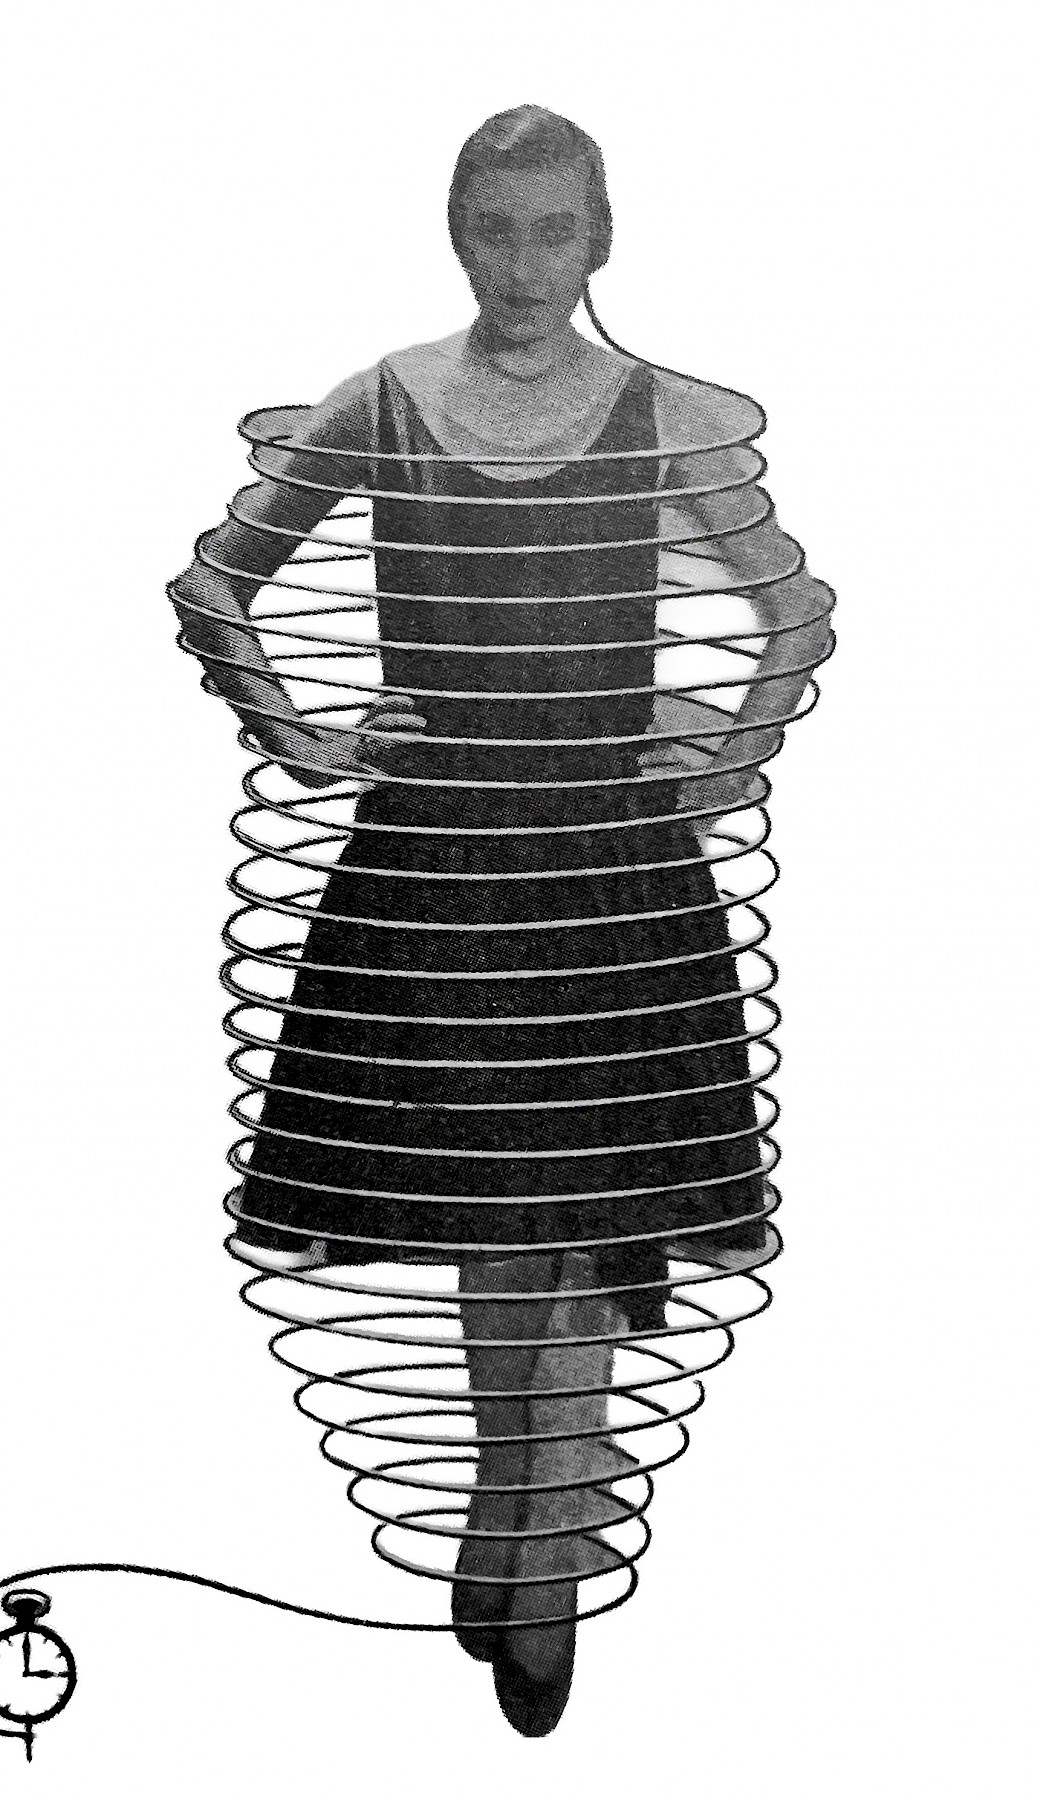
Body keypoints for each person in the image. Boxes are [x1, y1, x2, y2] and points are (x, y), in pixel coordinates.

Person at [171, 104, 833, 1736]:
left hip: (613, 867)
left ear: (601, 240)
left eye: (553, 231)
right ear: (455, 236)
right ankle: (507, 1500)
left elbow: (795, 609)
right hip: (441, 870)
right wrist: (298, 733)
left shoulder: (669, 414)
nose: (525, 265)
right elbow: (214, 582)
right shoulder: (385, 399)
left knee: (593, 1217)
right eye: (495, 229)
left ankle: (540, 1552)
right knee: (491, 1210)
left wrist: (723, 761)